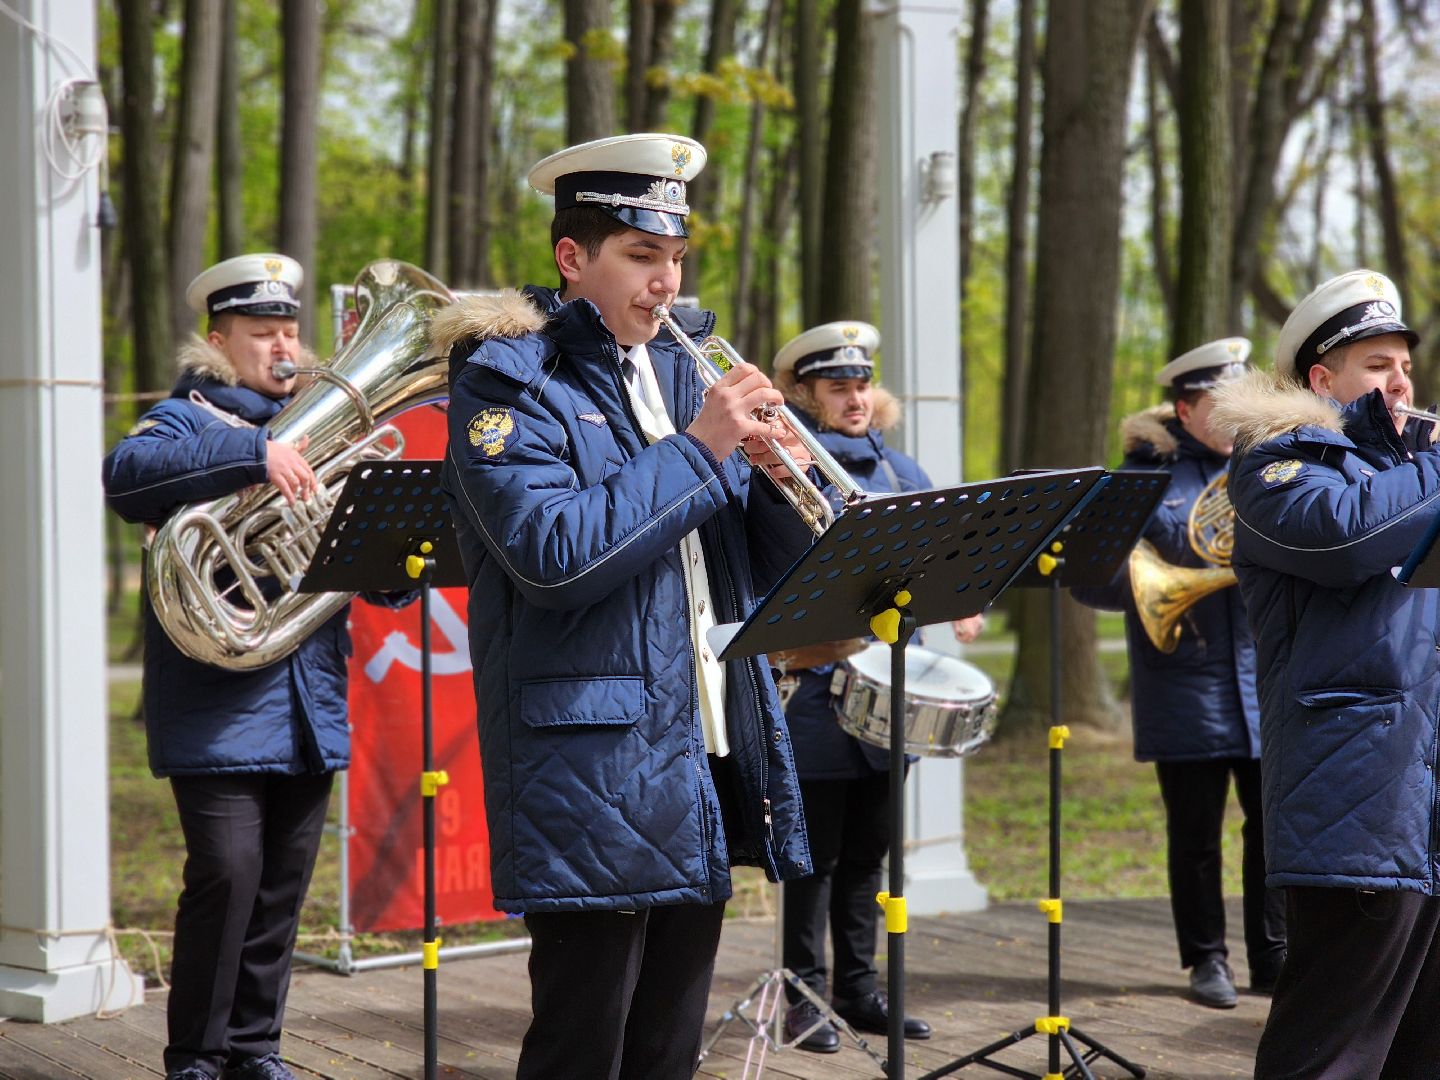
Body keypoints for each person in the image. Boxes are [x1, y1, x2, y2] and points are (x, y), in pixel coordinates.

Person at [435, 133, 814, 1080]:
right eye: (642, 257)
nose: (666, 282)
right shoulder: (507, 383)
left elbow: (766, 567)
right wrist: (697, 449)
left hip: (707, 743)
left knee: (667, 1046)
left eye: (675, 258)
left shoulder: (689, 370)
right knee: (580, 1042)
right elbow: (551, 557)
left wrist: (777, 482)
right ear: (573, 258)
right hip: (592, 756)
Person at [102, 255, 405, 1080]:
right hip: (215, 703)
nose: (283, 346)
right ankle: (196, 1057)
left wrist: (394, 558)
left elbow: (355, 561)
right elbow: (125, 478)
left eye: (288, 330)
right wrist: (254, 456)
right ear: (219, 340)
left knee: (279, 890)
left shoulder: (314, 423)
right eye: (262, 332)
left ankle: (255, 1049)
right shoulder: (182, 417)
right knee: (227, 877)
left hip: (307, 697)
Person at [1209, 270, 1440, 1077]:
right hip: (1356, 805)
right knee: (1327, 1057)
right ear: (1322, 378)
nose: (1401, 380)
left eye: (1404, 364)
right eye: (1377, 365)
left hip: (1422, 805)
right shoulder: (1280, 465)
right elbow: (1346, 539)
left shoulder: (1410, 475)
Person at [766, 322, 984, 1050]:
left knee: (869, 855)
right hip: (819, 694)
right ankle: (803, 995)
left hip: (892, 696)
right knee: (814, 857)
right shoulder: (782, 467)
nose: (856, 398)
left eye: (862, 385)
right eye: (838, 387)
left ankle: (859, 991)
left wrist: (960, 593)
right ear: (804, 394)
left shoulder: (902, 472)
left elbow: (938, 554)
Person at [1072, 338, 1286, 1008]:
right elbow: (1091, 579)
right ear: (1183, 409)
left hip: (1263, 677)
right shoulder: (1142, 477)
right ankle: (1206, 961)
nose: (1228, 421)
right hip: (1182, 681)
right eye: (1213, 407)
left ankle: (1274, 956)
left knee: (1271, 827)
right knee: (1194, 834)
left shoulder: (1273, 463)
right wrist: (1155, 578)